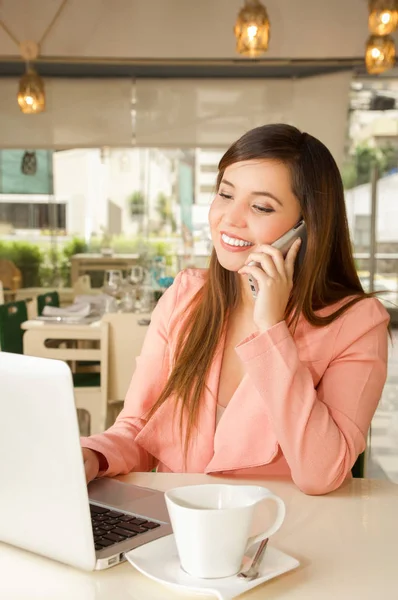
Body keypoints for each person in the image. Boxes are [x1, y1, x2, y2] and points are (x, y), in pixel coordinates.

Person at [81, 124, 390, 495]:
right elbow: (139, 428)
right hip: (179, 529)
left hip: (287, 536)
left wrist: (272, 328)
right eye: (226, 195)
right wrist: (93, 456)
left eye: (260, 206)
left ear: (307, 227)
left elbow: (320, 474)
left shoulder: (357, 322)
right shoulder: (186, 296)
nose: (230, 218)